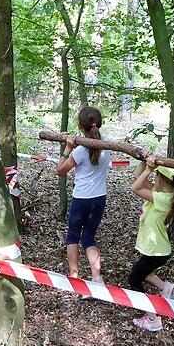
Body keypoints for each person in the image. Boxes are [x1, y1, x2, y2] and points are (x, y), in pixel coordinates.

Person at [55, 107, 111, 287]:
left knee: (72, 236)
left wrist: (68, 148)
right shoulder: (106, 147)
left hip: (81, 199)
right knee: (88, 238)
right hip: (99, 199)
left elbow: (60, 171)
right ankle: (97, 278)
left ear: (80, 126)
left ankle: (74, 275)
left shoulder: (79, 151)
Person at [128, 153, 174, 332]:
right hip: (156, 249)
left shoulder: (162, 198)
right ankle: (165, 288)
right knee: (143, 272)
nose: (153, 176)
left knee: (134, 279)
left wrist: (149, 169)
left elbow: (135, 188)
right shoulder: (161, 193)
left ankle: (152, 319)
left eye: (156, 174)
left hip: (157, 251)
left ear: (160, 178)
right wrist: (145, 162)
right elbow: (138, 178)